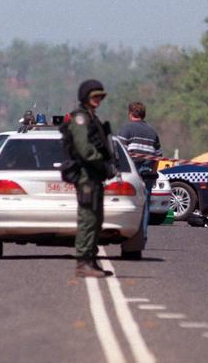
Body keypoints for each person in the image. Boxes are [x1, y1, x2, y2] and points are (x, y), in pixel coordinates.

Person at [66, 79, 117, 277]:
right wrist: (102, 163)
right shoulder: (80, 118)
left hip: (95, 177)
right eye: (94, 96)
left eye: (100, 97)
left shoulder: (91, 117)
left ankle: (91, 259)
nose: (98, 100)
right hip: (87, 176)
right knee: (87, 219)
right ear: (86, 97)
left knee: (97, 219)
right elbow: (84, 149)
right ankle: (82, 261)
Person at [118, 102, 162, 250]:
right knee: (145, 207)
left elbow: (120, 152)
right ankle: (142, 237)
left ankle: (127, 235)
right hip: (148, 172)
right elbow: (158, 155)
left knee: (129, 204)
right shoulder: (152, 131)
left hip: (133, 172)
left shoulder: (126, 129)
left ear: (131, 114)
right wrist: (154, 173)